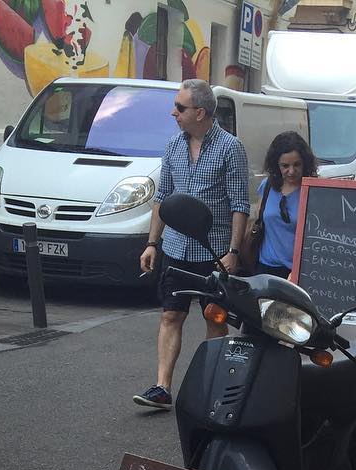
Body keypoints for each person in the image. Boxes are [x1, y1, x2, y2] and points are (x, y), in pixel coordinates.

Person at [133, 79, 250, 411]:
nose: (174, 113)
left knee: (215, 319)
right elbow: (162, 198)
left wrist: (233, 252)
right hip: (176, 248)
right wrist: (152, 243)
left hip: (213, 254)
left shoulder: (230, 148)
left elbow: (239, 204)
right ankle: (161, 388)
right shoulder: (173, 145)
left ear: (200, 112)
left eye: (180, 108)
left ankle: (215, 387)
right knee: (171, 315)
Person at [252, 130, 317, 278]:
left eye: (297, 164)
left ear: (305, 163)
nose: (291, 171)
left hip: (301, 270)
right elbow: (259, 217)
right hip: (266, 267)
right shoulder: (267, 186)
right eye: (285, 166)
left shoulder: (314, 190)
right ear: (276, 165)